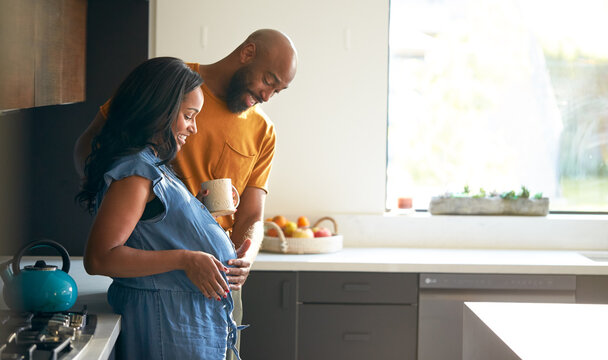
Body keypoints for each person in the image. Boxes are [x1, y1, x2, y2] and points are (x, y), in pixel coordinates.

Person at [74, 28, 298, 357]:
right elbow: (95, 155)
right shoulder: (173, 85)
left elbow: (252, 215)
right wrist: (128, 207)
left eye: (278, 90)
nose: (267, 95)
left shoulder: (262, 131)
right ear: (248, 53)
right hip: (169, 301)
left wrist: (239, 258)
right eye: (269, 80)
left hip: (211, 291)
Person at [76, 57, 244, 360]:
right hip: (166, 327)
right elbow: (100, 258)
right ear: (161, 110)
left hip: (180, 323)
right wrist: (186, 259)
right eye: (189, 115)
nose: (193, 128)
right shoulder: (137, 172)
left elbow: (150, 227)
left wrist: (199, 209)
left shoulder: (150, 164)